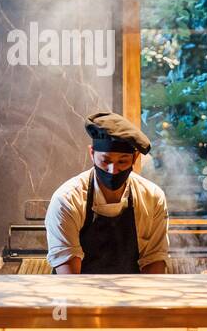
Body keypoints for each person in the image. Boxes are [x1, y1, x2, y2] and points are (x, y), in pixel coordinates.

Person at [45, 111, 169, 274]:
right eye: (105, 161)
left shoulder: (152, 197)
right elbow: (69, 278)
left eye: (122, 161)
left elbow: (154, 260)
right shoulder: (67, 199)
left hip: (133, 293)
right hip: (80, 294)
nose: (113, 170)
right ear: (92, 154)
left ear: (135, 157)